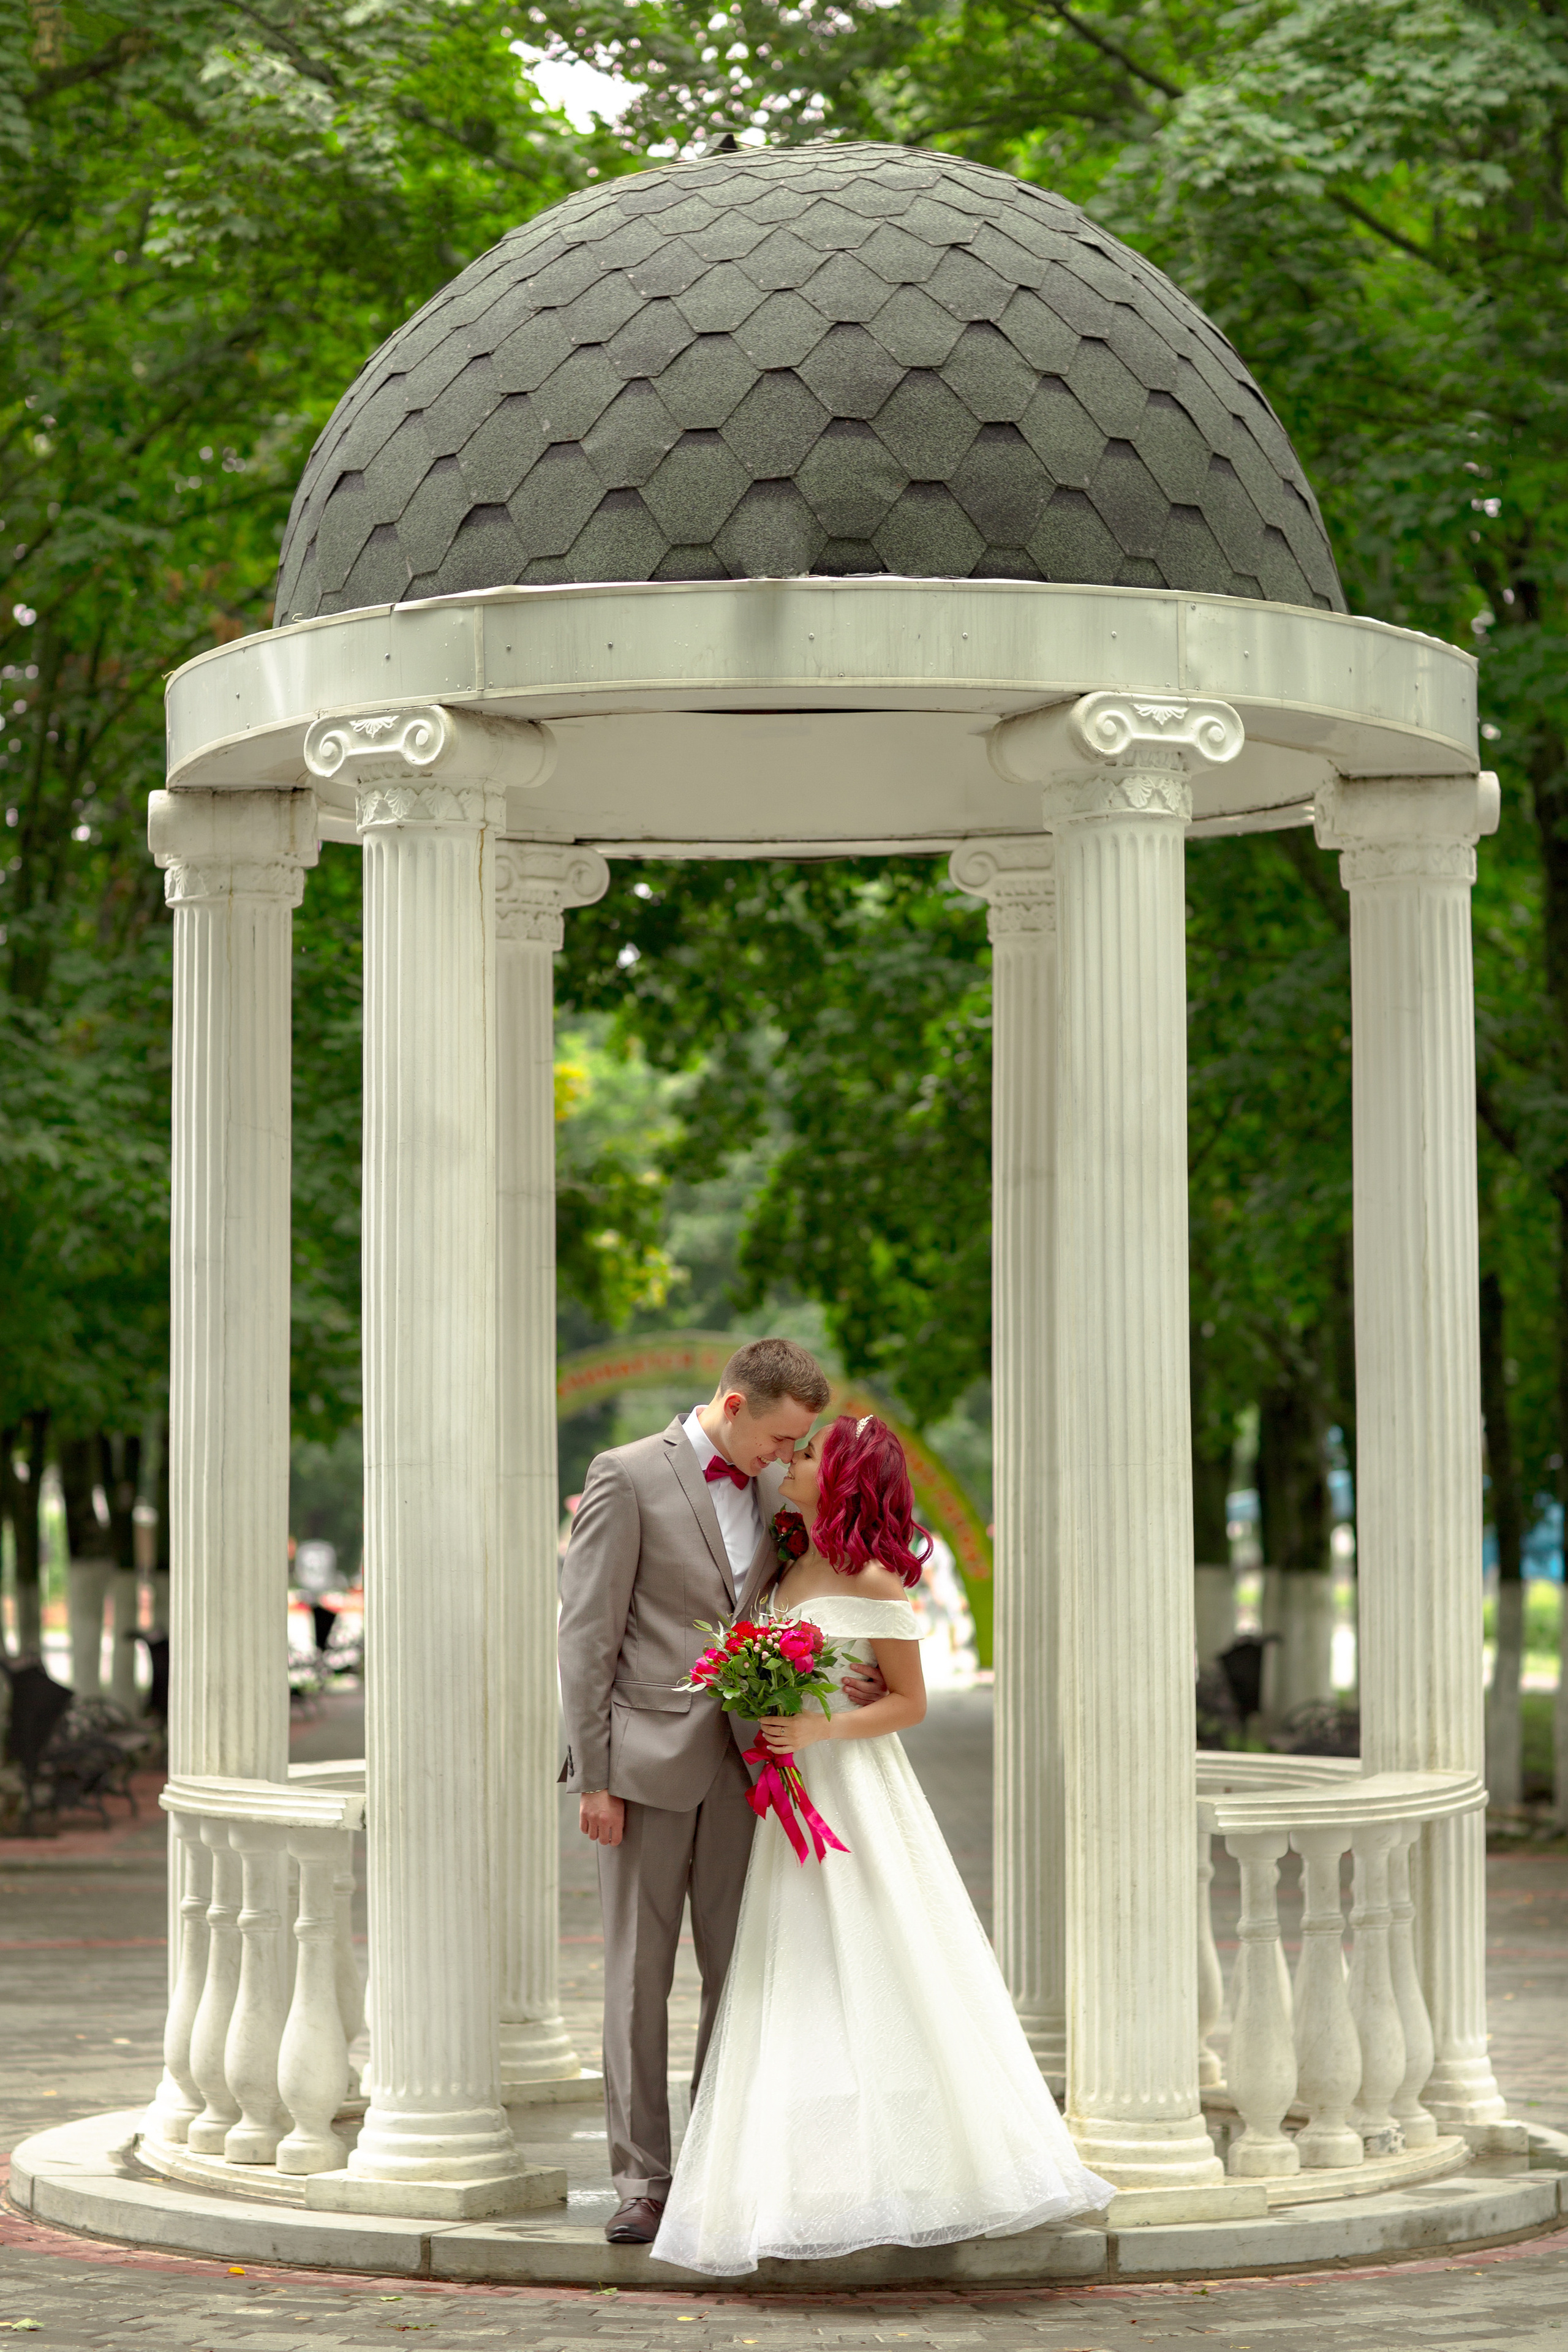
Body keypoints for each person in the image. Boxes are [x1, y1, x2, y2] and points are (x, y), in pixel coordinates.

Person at [650, 1412, 1115, 2277]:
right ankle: (807, 2173)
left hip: (852, 1791)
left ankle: (918, 2166)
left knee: (874, 1955)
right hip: (782, 1795)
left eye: (812, 1452)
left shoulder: (873, 1581)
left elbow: (908, 1702)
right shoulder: (788, 1562)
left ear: (848, 1472)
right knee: (795, 1970)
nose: (792, 1461)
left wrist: (822, 1729)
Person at [557, 1337, 887, 2245]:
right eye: (780, 1438)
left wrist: (840, 1678)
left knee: (740, 1977)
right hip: (644, 1768)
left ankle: (713, 2161)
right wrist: (593, 1774)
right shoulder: (626, 1477)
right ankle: (642, 2180)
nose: (788, 1457)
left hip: (753, 1770)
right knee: (639, 1977)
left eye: (799, 1445)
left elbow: (786, 1617)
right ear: (735, 1406)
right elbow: (587, 1635)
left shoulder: (779, 1497)